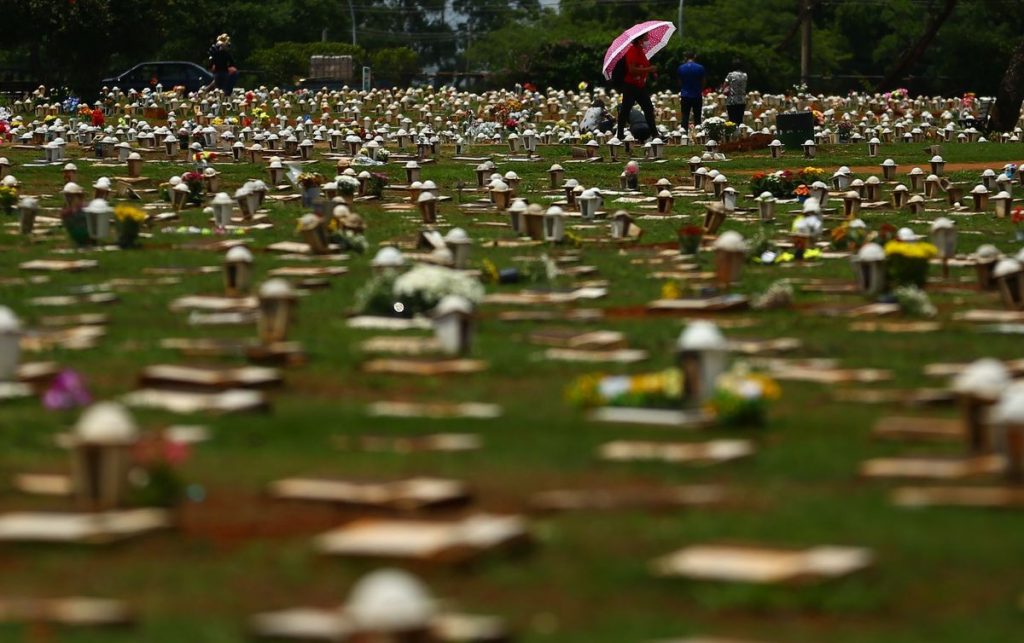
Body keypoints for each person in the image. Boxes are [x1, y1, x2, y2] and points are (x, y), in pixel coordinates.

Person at [614, 33, 658, 142]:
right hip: (630, 86)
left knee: (648, 108)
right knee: (625, 110)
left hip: (640, 86)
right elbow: (632, 70)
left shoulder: (640, 51)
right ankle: (620, 135)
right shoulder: (632, 51)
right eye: (646, 38)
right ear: (640, 40)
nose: (647, 40)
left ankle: (655, 134)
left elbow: (644, 65)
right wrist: (648, 70)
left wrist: (652, 71)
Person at [676, 52, 705, 131]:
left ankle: (683, 133)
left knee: (685, 116)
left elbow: (679, 82)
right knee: (697, 116)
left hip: (685, 95)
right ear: (694, 56)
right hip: (697, 95)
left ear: (685, 57)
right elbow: (703, 82)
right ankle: (698, 134)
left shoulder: (681, 68)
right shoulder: (700, 67)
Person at [722, 60, 748, 125]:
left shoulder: (730, 75)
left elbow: (724, 85)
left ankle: (733, 133)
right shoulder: (745, 75)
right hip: (742, 100)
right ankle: (739, 133)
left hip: (732, 100)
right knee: (739, 119)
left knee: (732, 120)